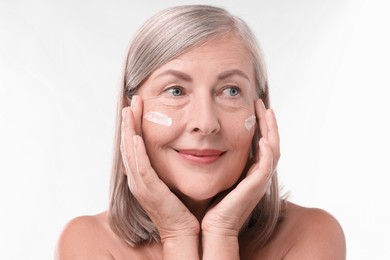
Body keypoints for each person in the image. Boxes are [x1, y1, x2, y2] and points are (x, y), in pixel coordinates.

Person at [56, 5, 346, 259]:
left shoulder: (310, 235)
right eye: (176, 91)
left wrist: (222, 233)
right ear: (129, 113)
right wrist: (177, 234)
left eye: (231, 91)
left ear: (260, 112)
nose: (205, 123)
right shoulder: (88, 243)